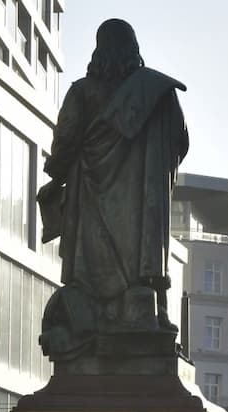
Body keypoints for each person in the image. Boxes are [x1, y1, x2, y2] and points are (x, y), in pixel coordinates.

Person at [38, 18, 189, 358]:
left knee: (91, 269)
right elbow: (179, 140)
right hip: (141, 218)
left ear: (98, 49)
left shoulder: (82, 92)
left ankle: (98, 316)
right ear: (134, 49)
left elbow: (65, 143)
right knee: (136, 275)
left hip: (89, 201)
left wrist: (54, 175)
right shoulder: (157, 95)